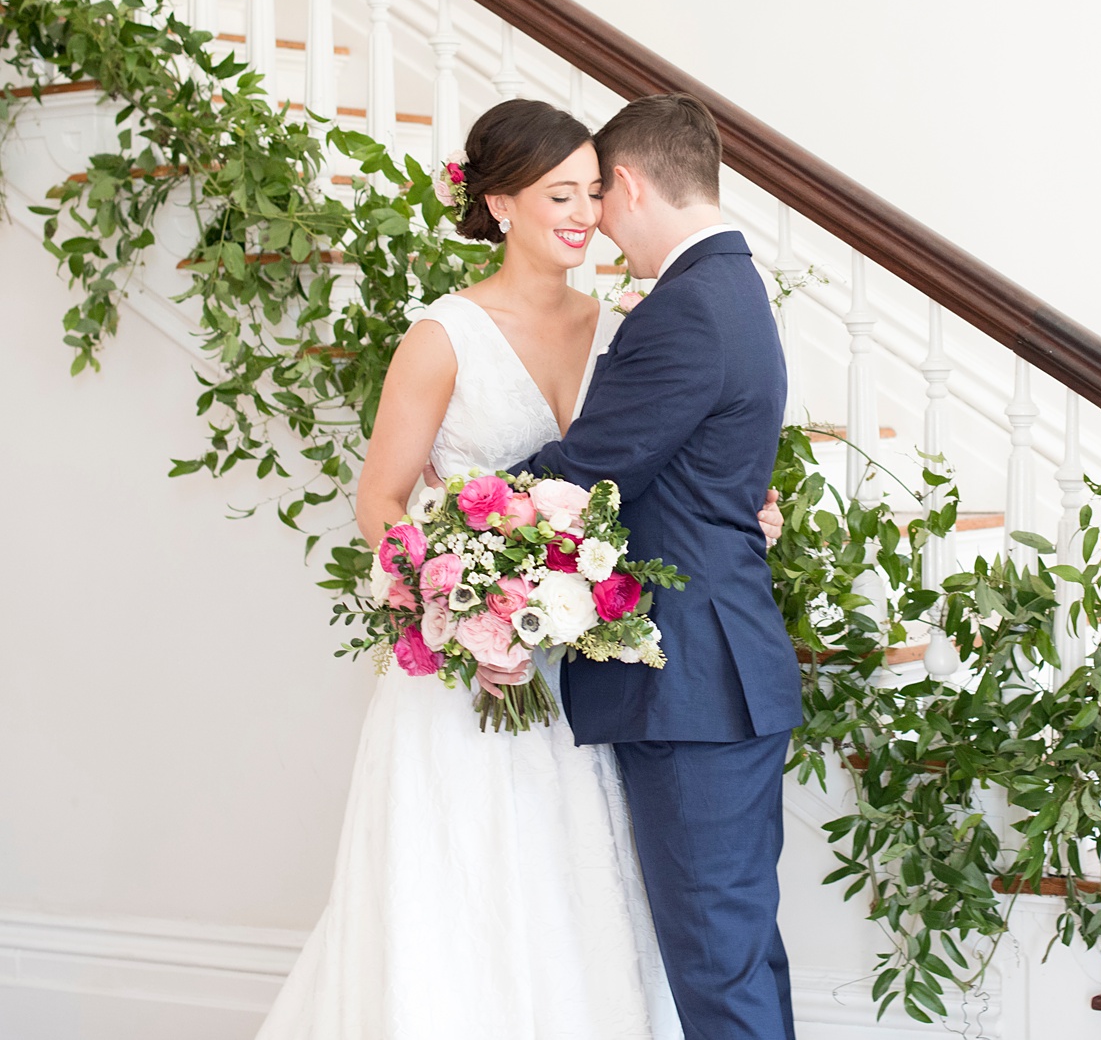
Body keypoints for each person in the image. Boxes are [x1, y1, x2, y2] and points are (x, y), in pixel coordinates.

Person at [256, 97, 781, 1039]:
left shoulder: (630, 323)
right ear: (499, 204)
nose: (584, 216)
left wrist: (731, 497)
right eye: (559, 195)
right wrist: (455, 602)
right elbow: (382, 500)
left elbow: (631, 472)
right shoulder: (441, 336)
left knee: (577, 912)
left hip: (588, 669)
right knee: (462, 912)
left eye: (592, 193)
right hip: (468, 680)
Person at [507, 93, 801, 1040]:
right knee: (735, 952)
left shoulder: (686, 308)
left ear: (628, 184)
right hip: (719, 674)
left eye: (598, 193)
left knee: (718, 962)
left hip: (694, 683)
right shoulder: (732, 287)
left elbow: (591, 472)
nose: (595, 219)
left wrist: (459, 503)